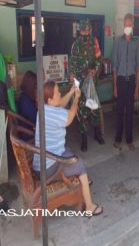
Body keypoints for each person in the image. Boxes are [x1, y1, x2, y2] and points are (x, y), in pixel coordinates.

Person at [33, 81, 103, 216]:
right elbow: (70, 117)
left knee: (68, 150)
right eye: (57, 93)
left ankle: (82, 180)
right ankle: (89, 206)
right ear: (50, 99)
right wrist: (76, 99)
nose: (60, 94)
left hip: (42, 162)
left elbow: (60, 103)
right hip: (48, 169)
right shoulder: (54, 114)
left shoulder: (44, 108)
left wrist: (71, 92)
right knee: (80, 164)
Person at [69, 19, 105, 152]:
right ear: (80, 31)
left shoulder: (94, 43)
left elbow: (99, 59)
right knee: (82, 111)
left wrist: (95, 69)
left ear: (90, 30)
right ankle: (84, 138)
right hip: (80, 84)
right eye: (83, 30)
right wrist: (71, 75)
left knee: (94, 108)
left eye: (87, 30)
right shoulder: (75, 45)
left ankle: (97, 134)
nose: (85, 33)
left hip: (92, 83)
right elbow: (72, 63)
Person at [112, 13, 139, 151]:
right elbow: (115, 66)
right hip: (121, 81)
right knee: (119, 112)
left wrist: (136, 88)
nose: (127, 27)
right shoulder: (118, 41)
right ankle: (118, 139)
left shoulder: (137, 42)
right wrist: (115, 87)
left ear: (133, 26)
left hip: (131, 83)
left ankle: (129, 140)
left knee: (130, 112)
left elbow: (138, 67)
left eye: (129, 25)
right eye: (125, 25)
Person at [18, 71, 37, 140]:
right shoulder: (26, 101)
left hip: (28, 128)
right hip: (28, 134)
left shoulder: (24, 95)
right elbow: (35, 119)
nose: (36, 87)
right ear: (31, 85)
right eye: (35, 85)